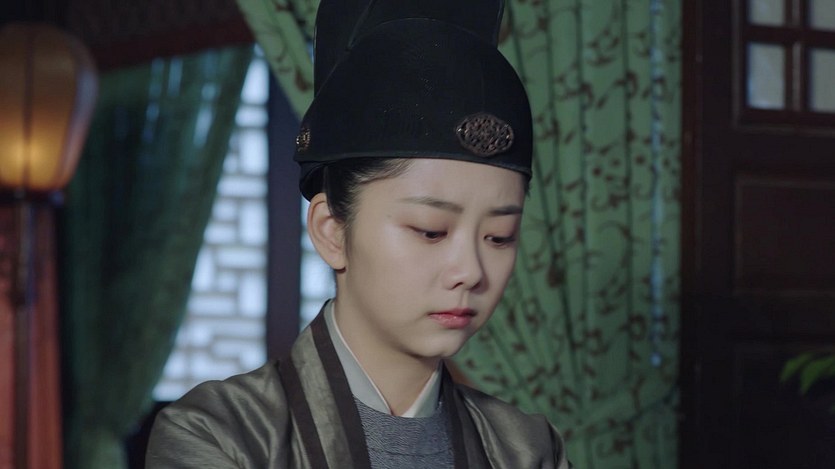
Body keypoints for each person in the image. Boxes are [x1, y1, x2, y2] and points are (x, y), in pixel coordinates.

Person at [146, 0, 571, 467]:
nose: (470, 271)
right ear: (331, 231)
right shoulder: (223, 435)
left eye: (499, 236)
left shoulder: (526, 449)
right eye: (431, 231)